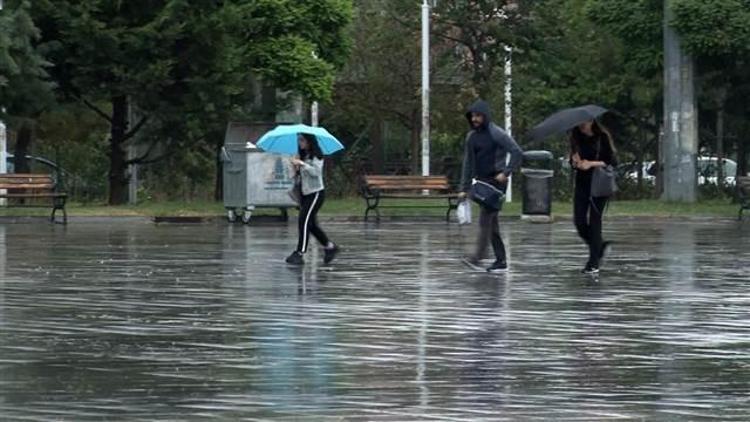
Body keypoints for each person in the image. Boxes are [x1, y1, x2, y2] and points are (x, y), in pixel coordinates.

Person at [459, 99, 523, 273]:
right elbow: (468, 163)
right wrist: (464, 188)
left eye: (478, 116)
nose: (475, 119)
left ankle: (477, 258)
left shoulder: (497, 133)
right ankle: (501, 260)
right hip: (481, 183)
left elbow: (517, 152)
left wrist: (506, 172)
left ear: (485, 116)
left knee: (485, 220)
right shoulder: (471, 137)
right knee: (492, 223)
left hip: (497, 183)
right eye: (472, 116)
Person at [569, 119, 617, 274]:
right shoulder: (575, 136)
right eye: (579, 123)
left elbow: (611, 161)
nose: (582, 125)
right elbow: (573, 160)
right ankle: (599, 247)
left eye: (585, 123)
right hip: (582, 184)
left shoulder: (601, 137)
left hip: (598, 184)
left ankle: (593, 262)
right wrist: (574, 162)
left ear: (592, 122)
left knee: (595, 222)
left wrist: (590, 163)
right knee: (580, 222)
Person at [285, 133, 339, 265]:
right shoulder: (303, 155)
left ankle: (300, 252)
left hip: (315, 194)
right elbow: (297, 177)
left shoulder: (317, 156)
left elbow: (316, 173)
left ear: (309, 141)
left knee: (303, 221)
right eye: (299, 140)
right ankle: (330, 247)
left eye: (302, 140)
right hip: (304, 193)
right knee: (312, 225)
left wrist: (303, 164)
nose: (300, 143)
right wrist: (295, 167)